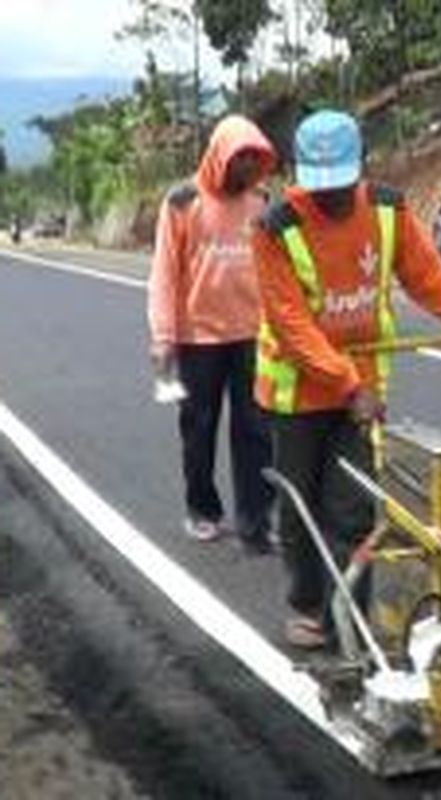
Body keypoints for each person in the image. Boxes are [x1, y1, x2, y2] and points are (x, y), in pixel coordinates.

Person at [252, 110, 441, 649]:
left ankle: (348, 611)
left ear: (361, 170)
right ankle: (307, 605)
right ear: (298, 175)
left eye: (340, 186)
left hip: (361, 390)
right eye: (318, 187)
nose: (329, 198)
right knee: (300, 505)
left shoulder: (386, 211)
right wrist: (347, 384)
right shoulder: (275, 228)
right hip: (294, 393)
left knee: (352, 504)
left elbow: (430, 283)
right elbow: (292, 326)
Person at [147, 114, 277, 553]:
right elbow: (165, 272)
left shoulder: (261, 201)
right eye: (240, 157)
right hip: (197, 339)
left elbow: (277, 269)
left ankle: (256, 519)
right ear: (220, 154)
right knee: (198, 430)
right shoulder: (183, 202)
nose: (246, 166)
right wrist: (163, 335)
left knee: (257, 430)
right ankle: (203, 510)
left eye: (254, 158)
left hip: (252, 335)